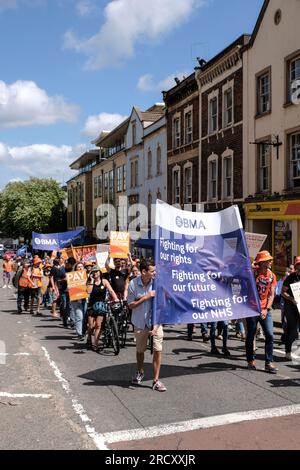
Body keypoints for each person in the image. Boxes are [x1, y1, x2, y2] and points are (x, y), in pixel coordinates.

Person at [128, 259, 166, 392]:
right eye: (152, 271)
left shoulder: (157, 284)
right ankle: (140, 371)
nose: (155, 273)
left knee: (158, 349)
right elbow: (130, 305)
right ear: (144, 272)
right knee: (140, 351)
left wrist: (156, 326)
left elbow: (161, 307)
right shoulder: (133, 283)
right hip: (139, 322)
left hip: (155, 323)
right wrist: (146, 297)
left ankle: (156, 380)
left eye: (155, 270)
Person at [246, 251, 278, 373]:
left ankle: (269, 362)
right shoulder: (252, 273)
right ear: (262, 262)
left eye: (270, 260)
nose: (271, 262)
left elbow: (272, 294)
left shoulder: (272, 275)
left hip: (265, 309)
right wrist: (254, 263)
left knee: (270, 335)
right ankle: (250, 360)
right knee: (251, 335)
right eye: (268, 260)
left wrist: (266, 309)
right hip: (252, 309)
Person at [86, 266, 118, 351]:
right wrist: (92, 281)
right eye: (93, 272)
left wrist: (115, 298)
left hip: (101, 305)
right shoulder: (90, 282)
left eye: (97, 271)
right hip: (91, 306)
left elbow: (111, 291)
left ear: (100, 272)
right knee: (91, 325)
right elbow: (88, 292)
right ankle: (89, 337)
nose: (95, 273)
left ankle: (95, 343)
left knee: (98, 325)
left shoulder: (104, 281)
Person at [281, 257, 300, 360]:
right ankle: (288, 351)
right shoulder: (290, 278)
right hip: (291, 307)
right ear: (296, 266)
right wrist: (291, 298)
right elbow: (283, 292)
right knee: (292, 330)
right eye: (298, 265)